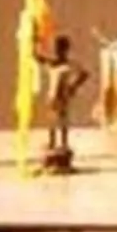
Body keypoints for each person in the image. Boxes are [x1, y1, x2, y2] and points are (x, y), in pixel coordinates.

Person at [40, 33, 90, 174]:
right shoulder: (52, 63)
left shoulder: (70, 64)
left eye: (61, 49)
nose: (58, 51)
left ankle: (63, 143)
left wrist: (73, 86)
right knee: (51, 122)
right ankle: (52, 143)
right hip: (52, 97)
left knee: (63, 121)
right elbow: (39, 59)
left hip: (62, 97)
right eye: (56, 49)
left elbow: (84, 74)